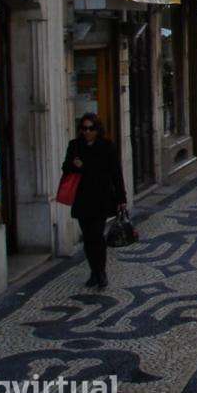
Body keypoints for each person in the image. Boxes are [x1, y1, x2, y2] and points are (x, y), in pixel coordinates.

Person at [61, 113, 126, 289]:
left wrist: (122, 198)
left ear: (97, 129)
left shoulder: (106, 146)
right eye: (84, 128)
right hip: (82, 199)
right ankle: (93, 271)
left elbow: (115, 173)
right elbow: (66, 167)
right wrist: (74, 165)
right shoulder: (75, 146)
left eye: (90, 128)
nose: (87, 132)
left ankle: (101, 272)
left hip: (101, 198)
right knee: (88, 238)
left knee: (97, 236)